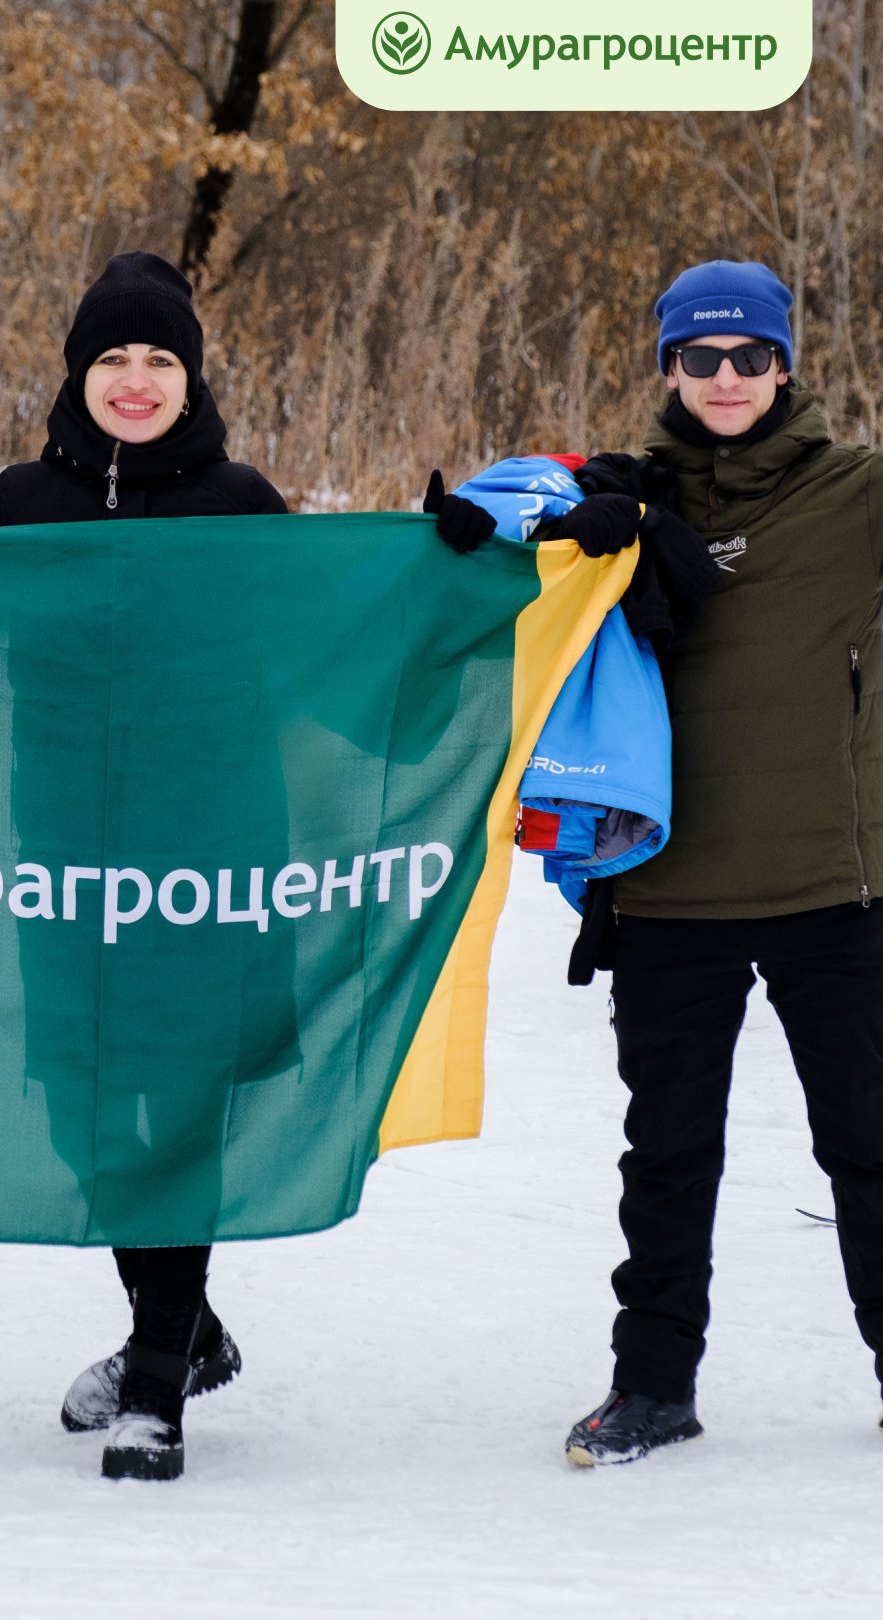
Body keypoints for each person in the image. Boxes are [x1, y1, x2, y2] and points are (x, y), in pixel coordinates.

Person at [447, 259, 883, 1464]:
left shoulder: (857, 494)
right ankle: (651, 1387)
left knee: (867, 1144)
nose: (727, 377)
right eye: (701, 356)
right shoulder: (614, 498)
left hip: (832, 886)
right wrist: (503, 540)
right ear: (669, 367)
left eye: (751, 356)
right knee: (669, 1153)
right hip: (667, 890)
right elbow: (475, 542)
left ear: (785, 364)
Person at [0, 251, 286, 1482]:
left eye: (161, 359)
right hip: (63, 849)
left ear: (191, 377)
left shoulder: (242, 504)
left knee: (181, 1102)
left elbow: (329, 645)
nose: (136, 379)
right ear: (77, 372)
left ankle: (156, 1387)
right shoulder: (16, 505)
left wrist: (442, 566)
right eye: (113, 357)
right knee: (84, 1101)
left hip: (209, 849)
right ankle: (187, 1328)